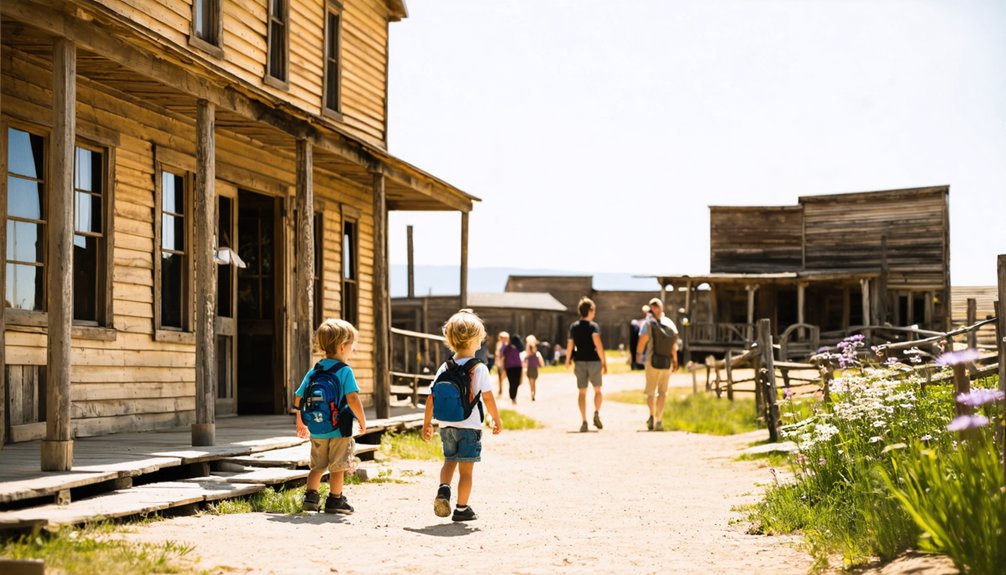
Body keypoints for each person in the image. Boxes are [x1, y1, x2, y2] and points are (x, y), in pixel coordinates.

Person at [422, 309, 502, 521]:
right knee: (466, 471)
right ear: (476, 340)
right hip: (470, 426)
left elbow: (431, 398)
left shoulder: (444, 366)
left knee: (449, 461)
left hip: (446, 425)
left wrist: (427, 424)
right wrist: (496, 418)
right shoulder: (479, 368)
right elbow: (488, 398)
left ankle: (443, 490)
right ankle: (461, 508)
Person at [295, 319, 368, 514]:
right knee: (338, 467)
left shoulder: (315, 370)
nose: (352, 350)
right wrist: (362, 420)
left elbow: (299, 398)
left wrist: (301, 421)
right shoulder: (344, 371)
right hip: (339, 428)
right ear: (343, 347)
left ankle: (310, 497)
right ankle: (335, 500)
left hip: (317, 428)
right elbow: (352, 398)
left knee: (317, 466)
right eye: (352, 346)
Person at [636, 297, 679, 431]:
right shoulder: (670, 323)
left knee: (651, 392)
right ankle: (659, 420)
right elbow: (673, 344)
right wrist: (675, 360)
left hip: (652, 361)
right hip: (666, 362)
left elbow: (643, 340)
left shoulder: (648, 323)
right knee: (663, 392)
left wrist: (638, 356)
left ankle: (651, 416)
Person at [565, 297, 607, 432]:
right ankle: (596, 413)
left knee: (582, 392)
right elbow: (598, 345)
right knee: (598, 390)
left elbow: (570, 345)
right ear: (590, 310)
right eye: (593, 310)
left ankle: (584, 421)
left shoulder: (574, 327)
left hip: (580, 361)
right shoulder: (593, 326)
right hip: (594, 361)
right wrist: (604, 361)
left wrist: (567, 360)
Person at [521, 335, 545, 401]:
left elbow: (541, 362)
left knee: (533, 383)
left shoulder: (537, 354)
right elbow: (524, 362)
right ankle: (532, 393)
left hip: (533, 369)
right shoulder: (528, 355)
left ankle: (533, 393)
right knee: (532, 383)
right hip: (530, 369)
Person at [502, 334, 524, 403]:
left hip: (514, 367)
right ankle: (513, 397)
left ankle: (513, 396)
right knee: (513, 382)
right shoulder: (509, 347)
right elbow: (504, 354)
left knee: (514, 382)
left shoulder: (518, 347)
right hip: (512, 367)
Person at [628, 305, 649, 370]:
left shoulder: (649, 319)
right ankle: (636, 363)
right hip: (637, 334)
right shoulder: (635, 322)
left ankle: (639, 364)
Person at [494, 331, 509, 397]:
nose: (503, 338)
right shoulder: (498, 344)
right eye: (502, 337)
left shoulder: (507, 345)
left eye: (505, 337)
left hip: (506, 363)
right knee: (499, 376)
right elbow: (497, 353)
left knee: (505, 376)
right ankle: (500, 389)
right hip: (499, 363)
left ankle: (507, 390)